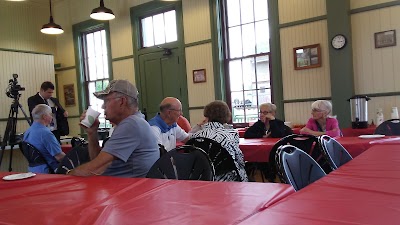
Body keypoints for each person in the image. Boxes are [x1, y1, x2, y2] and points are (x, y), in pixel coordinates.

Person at [67, 80, 159, 177]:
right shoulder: (135, 122)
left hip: (122, 189)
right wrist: (92, 133)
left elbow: (95, 168)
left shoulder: (131, 124)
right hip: (121, 187)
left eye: (106, 100)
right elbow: (100, 163)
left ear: (122, 102)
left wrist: (66, 175)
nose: (103, 106)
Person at [190, 100, 248, 182]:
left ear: (206, 116)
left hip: (201, 178)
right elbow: (239, 160)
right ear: (227, 115)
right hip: (226, 179)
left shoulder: (196, 136)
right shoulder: (231, 134)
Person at [23, 104, 65, 173]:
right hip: (49, 170)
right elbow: (59, 157)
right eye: (50, 114)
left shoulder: (27, 132)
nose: (52, 117)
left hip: (32, 170)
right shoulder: (45, 133)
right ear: (44, 116)